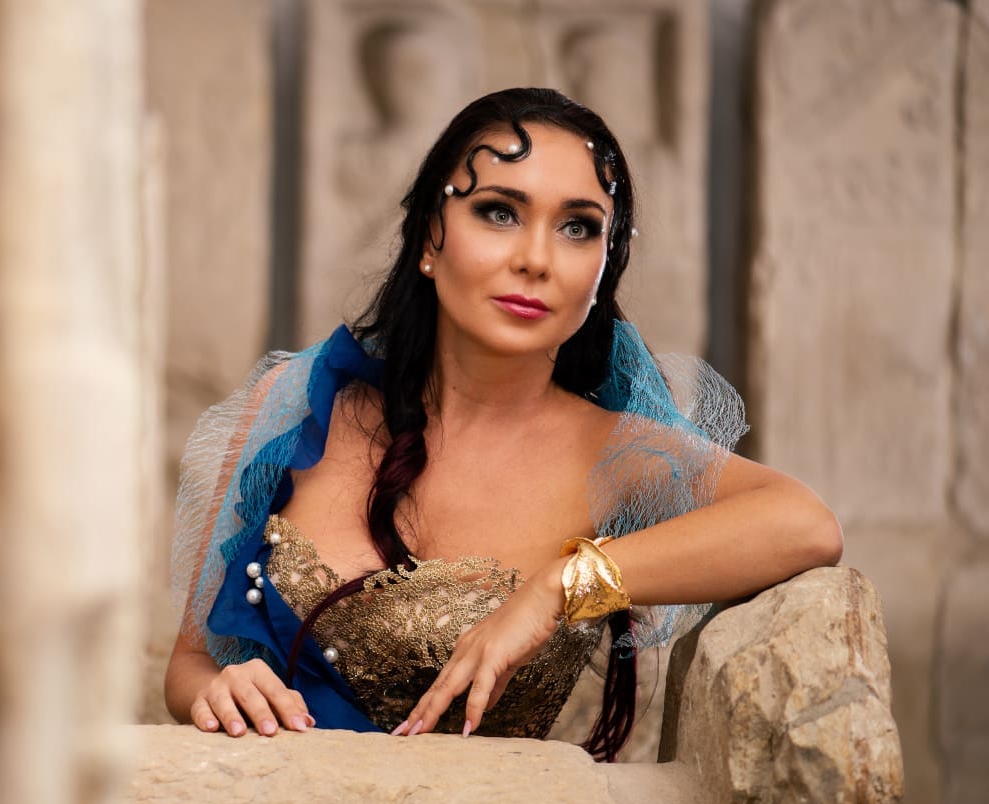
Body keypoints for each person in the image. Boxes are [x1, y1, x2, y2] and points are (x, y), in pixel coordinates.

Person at [164, 88, 841, 761]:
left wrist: (559, 588)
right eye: (499, 213)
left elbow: (806, 524)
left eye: (578, 227)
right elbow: (188, 667)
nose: (536, 259)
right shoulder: (294, 402)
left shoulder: (614, 452)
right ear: (429, 238)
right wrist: (220, 687)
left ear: (605, 268)